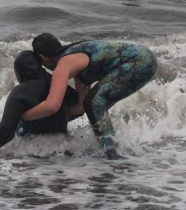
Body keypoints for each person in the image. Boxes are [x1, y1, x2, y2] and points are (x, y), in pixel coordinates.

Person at [23, 33, 158, 159]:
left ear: (43, 57)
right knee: (93, 103)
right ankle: (111, 148)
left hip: (139, 61)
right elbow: (80, 108)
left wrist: (23, 116)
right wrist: (50, 123)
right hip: (145, 58)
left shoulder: (64, 65)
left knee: (95, 102)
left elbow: (52, 105)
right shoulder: (76, 62)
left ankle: (112, 153)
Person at [0, 51, 80, 155]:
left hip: (33, 149)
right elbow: (78, 109)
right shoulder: (58, 88)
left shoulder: (20, 93)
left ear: (19, 72)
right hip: (62, 146)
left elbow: (6, 133)